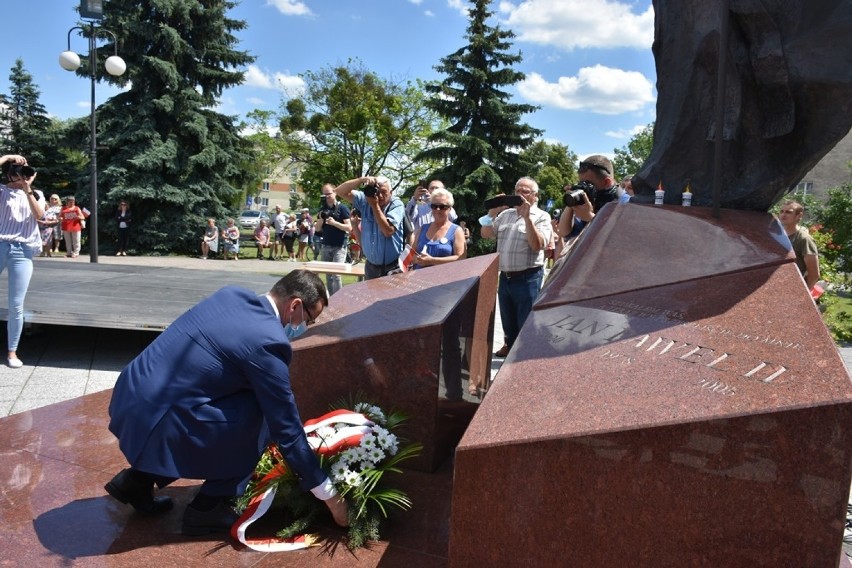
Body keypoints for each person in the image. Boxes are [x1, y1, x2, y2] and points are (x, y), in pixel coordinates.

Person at [104, 270, 349, 535]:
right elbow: (286, 427)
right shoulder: (268, 342)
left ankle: (137, 481)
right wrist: (329, 496)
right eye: (309, 320)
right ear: (295, 305)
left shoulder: (233, 295)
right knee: (262, 415)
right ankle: (206, 509)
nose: (306, 327)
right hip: (159, 422)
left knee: (230, 401)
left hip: (129, 398)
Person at [481, 177, 552, 358]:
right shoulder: (506, 214)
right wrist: (491, 214)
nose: (520, 194)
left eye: (525, 191)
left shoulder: (542, 217)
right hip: (505, 276)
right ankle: (510, 343)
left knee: (526, 319)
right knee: (507, 317)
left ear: (535, 196)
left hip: (528, 277)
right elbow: (486, 235)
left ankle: (525, 353)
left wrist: (527, 219)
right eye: (517, 190)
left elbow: (537, 245)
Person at [0, 155, 45, 368]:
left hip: (23, 251)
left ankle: (12, 352)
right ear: (9, 173)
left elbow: (39, 215)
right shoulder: (2, 192)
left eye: (26, 171)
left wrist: (27, 188)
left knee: (16, 304)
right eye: (18, 171)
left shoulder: (36, 194)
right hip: (0, 245)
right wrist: (7, 158)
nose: (23, 175)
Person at [334, 175, 405, 280]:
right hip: (371, 267)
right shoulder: (366, 199)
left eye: (384, 192)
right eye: (377, 191)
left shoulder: (396, 204)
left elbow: (388, 231)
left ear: (391, 192)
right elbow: (339, 191)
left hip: (392, 267)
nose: (379, 196)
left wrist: (374, 205)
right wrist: (361, 180)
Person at [557, 155, 621, 248]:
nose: (584, 188)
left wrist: (591, 218)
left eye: (588, 184)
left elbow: (619, 239)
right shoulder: (589, 201)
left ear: (607, 182)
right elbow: (564, 232)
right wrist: (571, 201)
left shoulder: (625, 203)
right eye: (581, 183)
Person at [412, 188, 465, 270]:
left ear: (450, 209)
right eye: (434, 206)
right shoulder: (423, 228)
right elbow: (411, 254)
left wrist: (432, 260)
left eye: (442, 207)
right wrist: (418, 259)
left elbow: (460, 258)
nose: (437, 209)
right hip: (419, 279)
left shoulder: (456, 230)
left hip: (444, 279)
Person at [315, 183, 352, 295]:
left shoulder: (342, 208)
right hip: (326, 245)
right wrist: (321, 219)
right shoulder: (323, 209)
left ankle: (339, 298)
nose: (327, 196)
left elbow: (349, 228)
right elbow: (317, 229)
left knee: (336, 275)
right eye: (325, 194)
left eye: (329, 194)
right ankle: (331, 298)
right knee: (328, 275)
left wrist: (335, 223)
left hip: (339, 246)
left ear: (335, 193)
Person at [778, 200, 820, 290]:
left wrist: (805, 296)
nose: (783, 215)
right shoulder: (777, 235)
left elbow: (814, 275)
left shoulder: (804, 239)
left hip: (793, 289)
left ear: (799, 216)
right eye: (781, 211)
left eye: (788, 212)